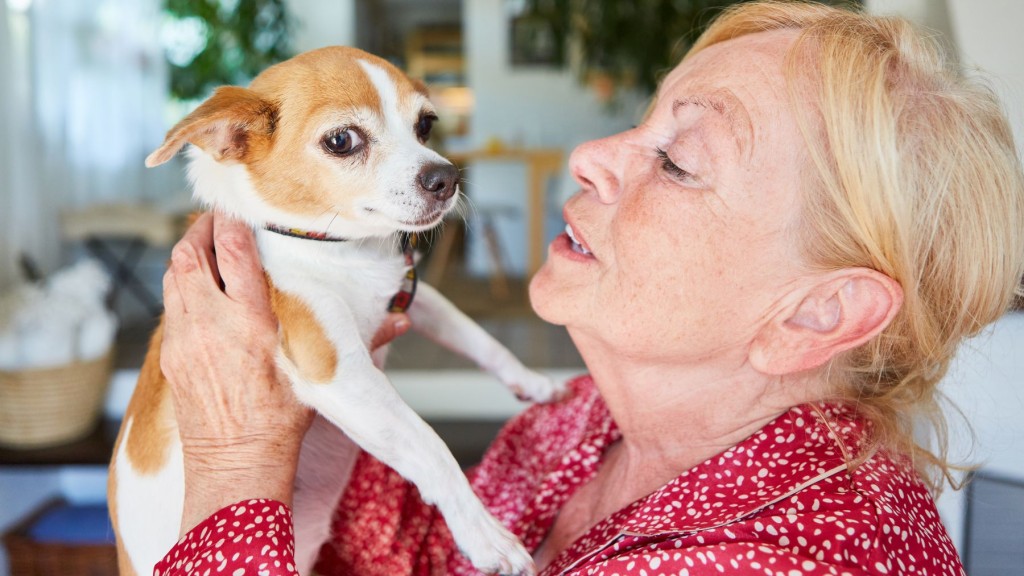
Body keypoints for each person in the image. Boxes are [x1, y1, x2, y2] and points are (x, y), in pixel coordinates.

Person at [153, 2, 1024, 575]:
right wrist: (299, 408)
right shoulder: (584, 416)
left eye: (678, 161)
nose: (592, 154)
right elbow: (422, 551)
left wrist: (236, 462)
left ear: (816, 312)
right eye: (642, 120)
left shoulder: (784, 558)